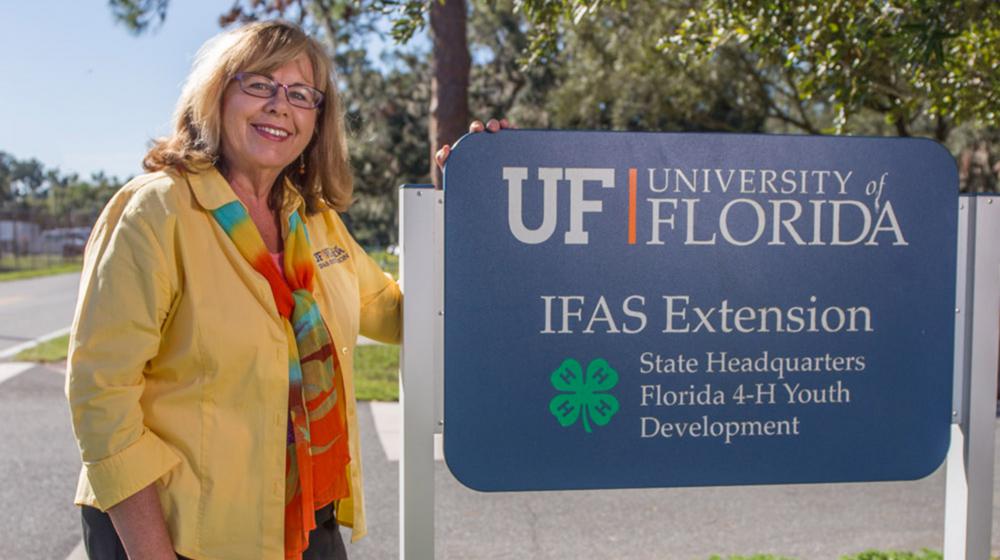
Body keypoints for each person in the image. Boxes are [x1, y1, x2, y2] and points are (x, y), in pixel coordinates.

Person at [66, 19, 509, 560]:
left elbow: (400, 315)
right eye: (259, 84)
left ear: (316, 121)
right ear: (216, 96)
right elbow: (101, 395)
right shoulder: (157, 211)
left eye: (301, 94)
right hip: (175, 533)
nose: (281, 105)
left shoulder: (314, 221)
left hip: (304, 522)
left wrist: (468, 202)